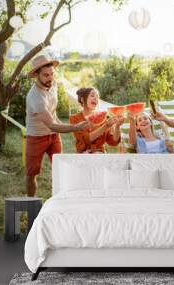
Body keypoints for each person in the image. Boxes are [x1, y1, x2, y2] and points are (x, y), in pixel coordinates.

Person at [25, 55, 90, 197]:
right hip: (36, 137)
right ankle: (31, 202)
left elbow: (53, 115)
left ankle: (60, 199)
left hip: (54, 136)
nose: (50, 78)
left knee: (60, 169)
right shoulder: (35, 97)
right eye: (46, 75)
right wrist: (76, 127)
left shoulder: (52, 85)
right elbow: (52, 125)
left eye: (52, 74)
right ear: (36, 75)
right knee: (31, 174)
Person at [69, 87, 123, 153]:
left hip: (100, 155)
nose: (95, 98)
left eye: (97, 97)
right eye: (92, 95)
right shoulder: (74, 118)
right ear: (83, 99)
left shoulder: (103, 118)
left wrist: (117, 127)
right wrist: (105, 126)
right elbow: (86, 140)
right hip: (83, 155)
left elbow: (113, 142)